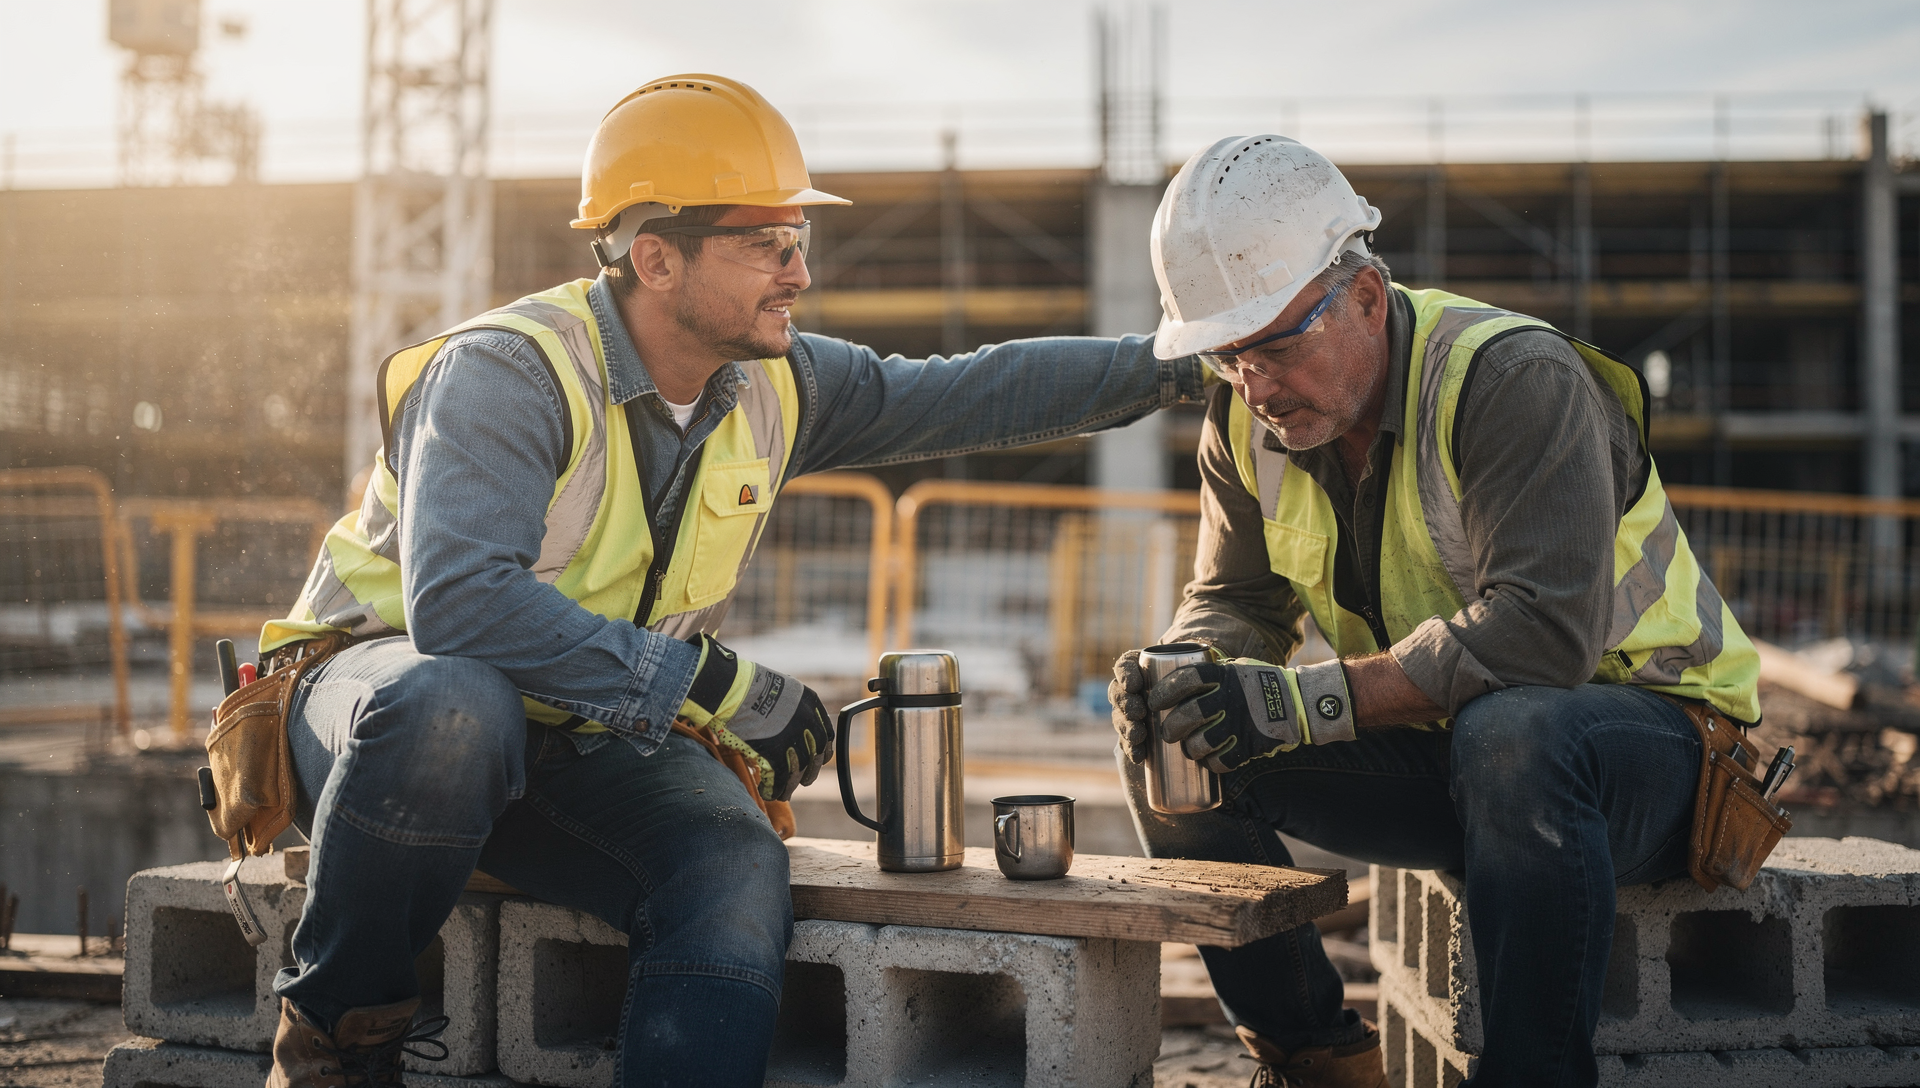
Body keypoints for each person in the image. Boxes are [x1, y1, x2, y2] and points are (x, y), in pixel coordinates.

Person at [260, 74, 1204, 1088]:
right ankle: (332, 1049)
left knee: (732, 861)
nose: (800, 272)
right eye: (767, 243)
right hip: (379, 721)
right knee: (454, 705)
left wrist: (1181, 362)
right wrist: (712, 684)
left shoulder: (777, 381)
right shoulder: (512, 371)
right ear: (656, 258)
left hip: (574, 729)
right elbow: (460, 607)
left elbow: (969, 391)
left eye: (800, 237)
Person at [1108, 135, 1758, 1088]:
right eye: (1226, 355)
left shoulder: (1512, 380)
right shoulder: (1247, 417)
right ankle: (1315, 1060)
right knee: (1177, 740)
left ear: (1366, 298)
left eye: (1277, 345)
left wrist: (1295, 703)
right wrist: (1192, 669)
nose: (1256, 386)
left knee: (1516, 735)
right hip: (1461, 755)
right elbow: (1237, 598)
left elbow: (1542, 635)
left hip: (1656, 758)